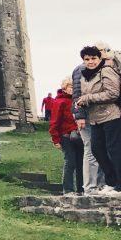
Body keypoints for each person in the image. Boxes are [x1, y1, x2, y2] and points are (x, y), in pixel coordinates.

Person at [74, 45, 121, 193]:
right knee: (97, 150)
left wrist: (88, 98)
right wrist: (80, 103)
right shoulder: (85, 75)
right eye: (87, 59)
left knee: (114, 150)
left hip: (111, 115)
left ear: (99, 58)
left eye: (93, 58)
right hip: (94, 119)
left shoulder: (106, 71)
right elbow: (80, 94)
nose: (90, 61)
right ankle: (112, 181)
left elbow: (113, 93)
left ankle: (119, 184)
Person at [72, 43, 108, 191]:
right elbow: (77, 94)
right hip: (86, 116)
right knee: (91, 150)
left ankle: (101, 184)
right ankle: (90, 186)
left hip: (99, 115)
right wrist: (79, 115)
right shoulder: (80, 70)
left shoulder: (104, 69)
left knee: (101, 150)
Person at [49, 79, 83, 193]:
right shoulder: (60, 102)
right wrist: (55, 139)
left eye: (75, 87)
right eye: (71, 87)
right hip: (66, 136)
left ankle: (81, 188)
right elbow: (54, 121)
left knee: (80, 162)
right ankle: (68, 189)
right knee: (70, 161)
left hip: (78, 136)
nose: (73, 89)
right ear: (64, 88)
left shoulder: (77, 101)